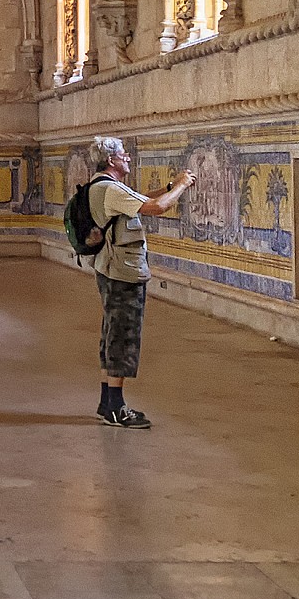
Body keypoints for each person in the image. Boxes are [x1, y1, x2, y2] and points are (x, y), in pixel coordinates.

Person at [80, 134, 195, 428]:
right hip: (123, 272)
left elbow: (145, 199)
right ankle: (117, 408)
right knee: (123, 336)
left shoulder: (105, 188)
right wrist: (181, 186)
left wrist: (169, 186)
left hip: (110, 267)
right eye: (124, 155)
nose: (128, 158)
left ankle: (107, 403)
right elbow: (158, 208)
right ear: (111, 160)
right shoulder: (110, 190)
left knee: (112, 332)